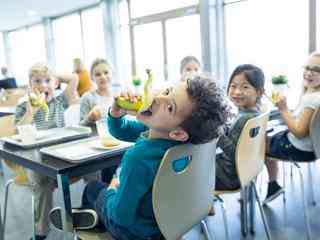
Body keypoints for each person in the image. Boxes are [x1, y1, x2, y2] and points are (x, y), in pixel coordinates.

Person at [49, 74, 230, 240]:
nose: (158, 97)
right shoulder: (179, 139)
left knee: (94, 189)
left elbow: (122, 216)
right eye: (167, 91)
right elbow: (123, 130)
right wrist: (116, 114)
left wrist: (112, 189)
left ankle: (95, 223)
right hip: (168, 222)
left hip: (134, 232)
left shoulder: (139, 158)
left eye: (169, 107)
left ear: (177, 133)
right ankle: (94, 217)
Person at [14, 62, 79, 240]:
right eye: (37, 81)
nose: (43, 86)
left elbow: (74, 78)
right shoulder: (24, 106)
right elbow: (17, 133)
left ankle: (91, 210)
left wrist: (52, 76)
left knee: (94, 168)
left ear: (55, 83)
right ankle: (40, 232)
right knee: (43, 185)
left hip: (60, 156)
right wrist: (30, 112)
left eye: (47, 81)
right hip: (36, 159)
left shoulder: (59, 101)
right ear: (30, 85)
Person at [264, 52, 320, 204]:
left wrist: (283, 109)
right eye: (307, 67)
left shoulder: (312, 99)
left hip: (298, 148)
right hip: (312, 150)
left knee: (259, 144)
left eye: (316, 70)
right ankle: (272, 185)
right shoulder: (315, 94)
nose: (309, 72)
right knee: (270, 138)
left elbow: (299, 132)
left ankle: (271, 185)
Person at [215, 64, 265, 190]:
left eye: (245, 87)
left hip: (229, 177)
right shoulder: (254, 114)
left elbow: (235, 153)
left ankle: (206, 207)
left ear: (259, 92)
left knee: (193, 170)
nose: (237, 92)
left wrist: (218, 132)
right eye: (233, 86)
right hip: (245, 171)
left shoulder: (244, 119)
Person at [80, 58, 113, 126]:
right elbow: (80, 126)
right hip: (97, 135)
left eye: (106, 72)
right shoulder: (87, 97)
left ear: (112, 73)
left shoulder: (118, 96)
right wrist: (90, 118)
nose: (103, 77)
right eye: (98, 74)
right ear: (92, 78)